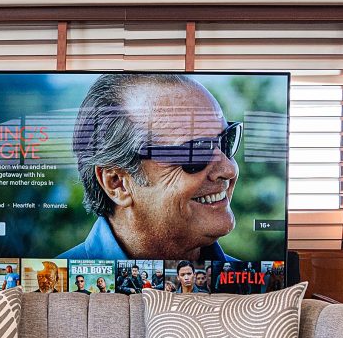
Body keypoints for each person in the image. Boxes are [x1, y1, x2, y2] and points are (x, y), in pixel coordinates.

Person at [58, 73, 245, 266]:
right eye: (196, 151)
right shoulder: (54, 282)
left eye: (227, 141)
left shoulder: (252, 280)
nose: (229, 169)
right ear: (117, 183)